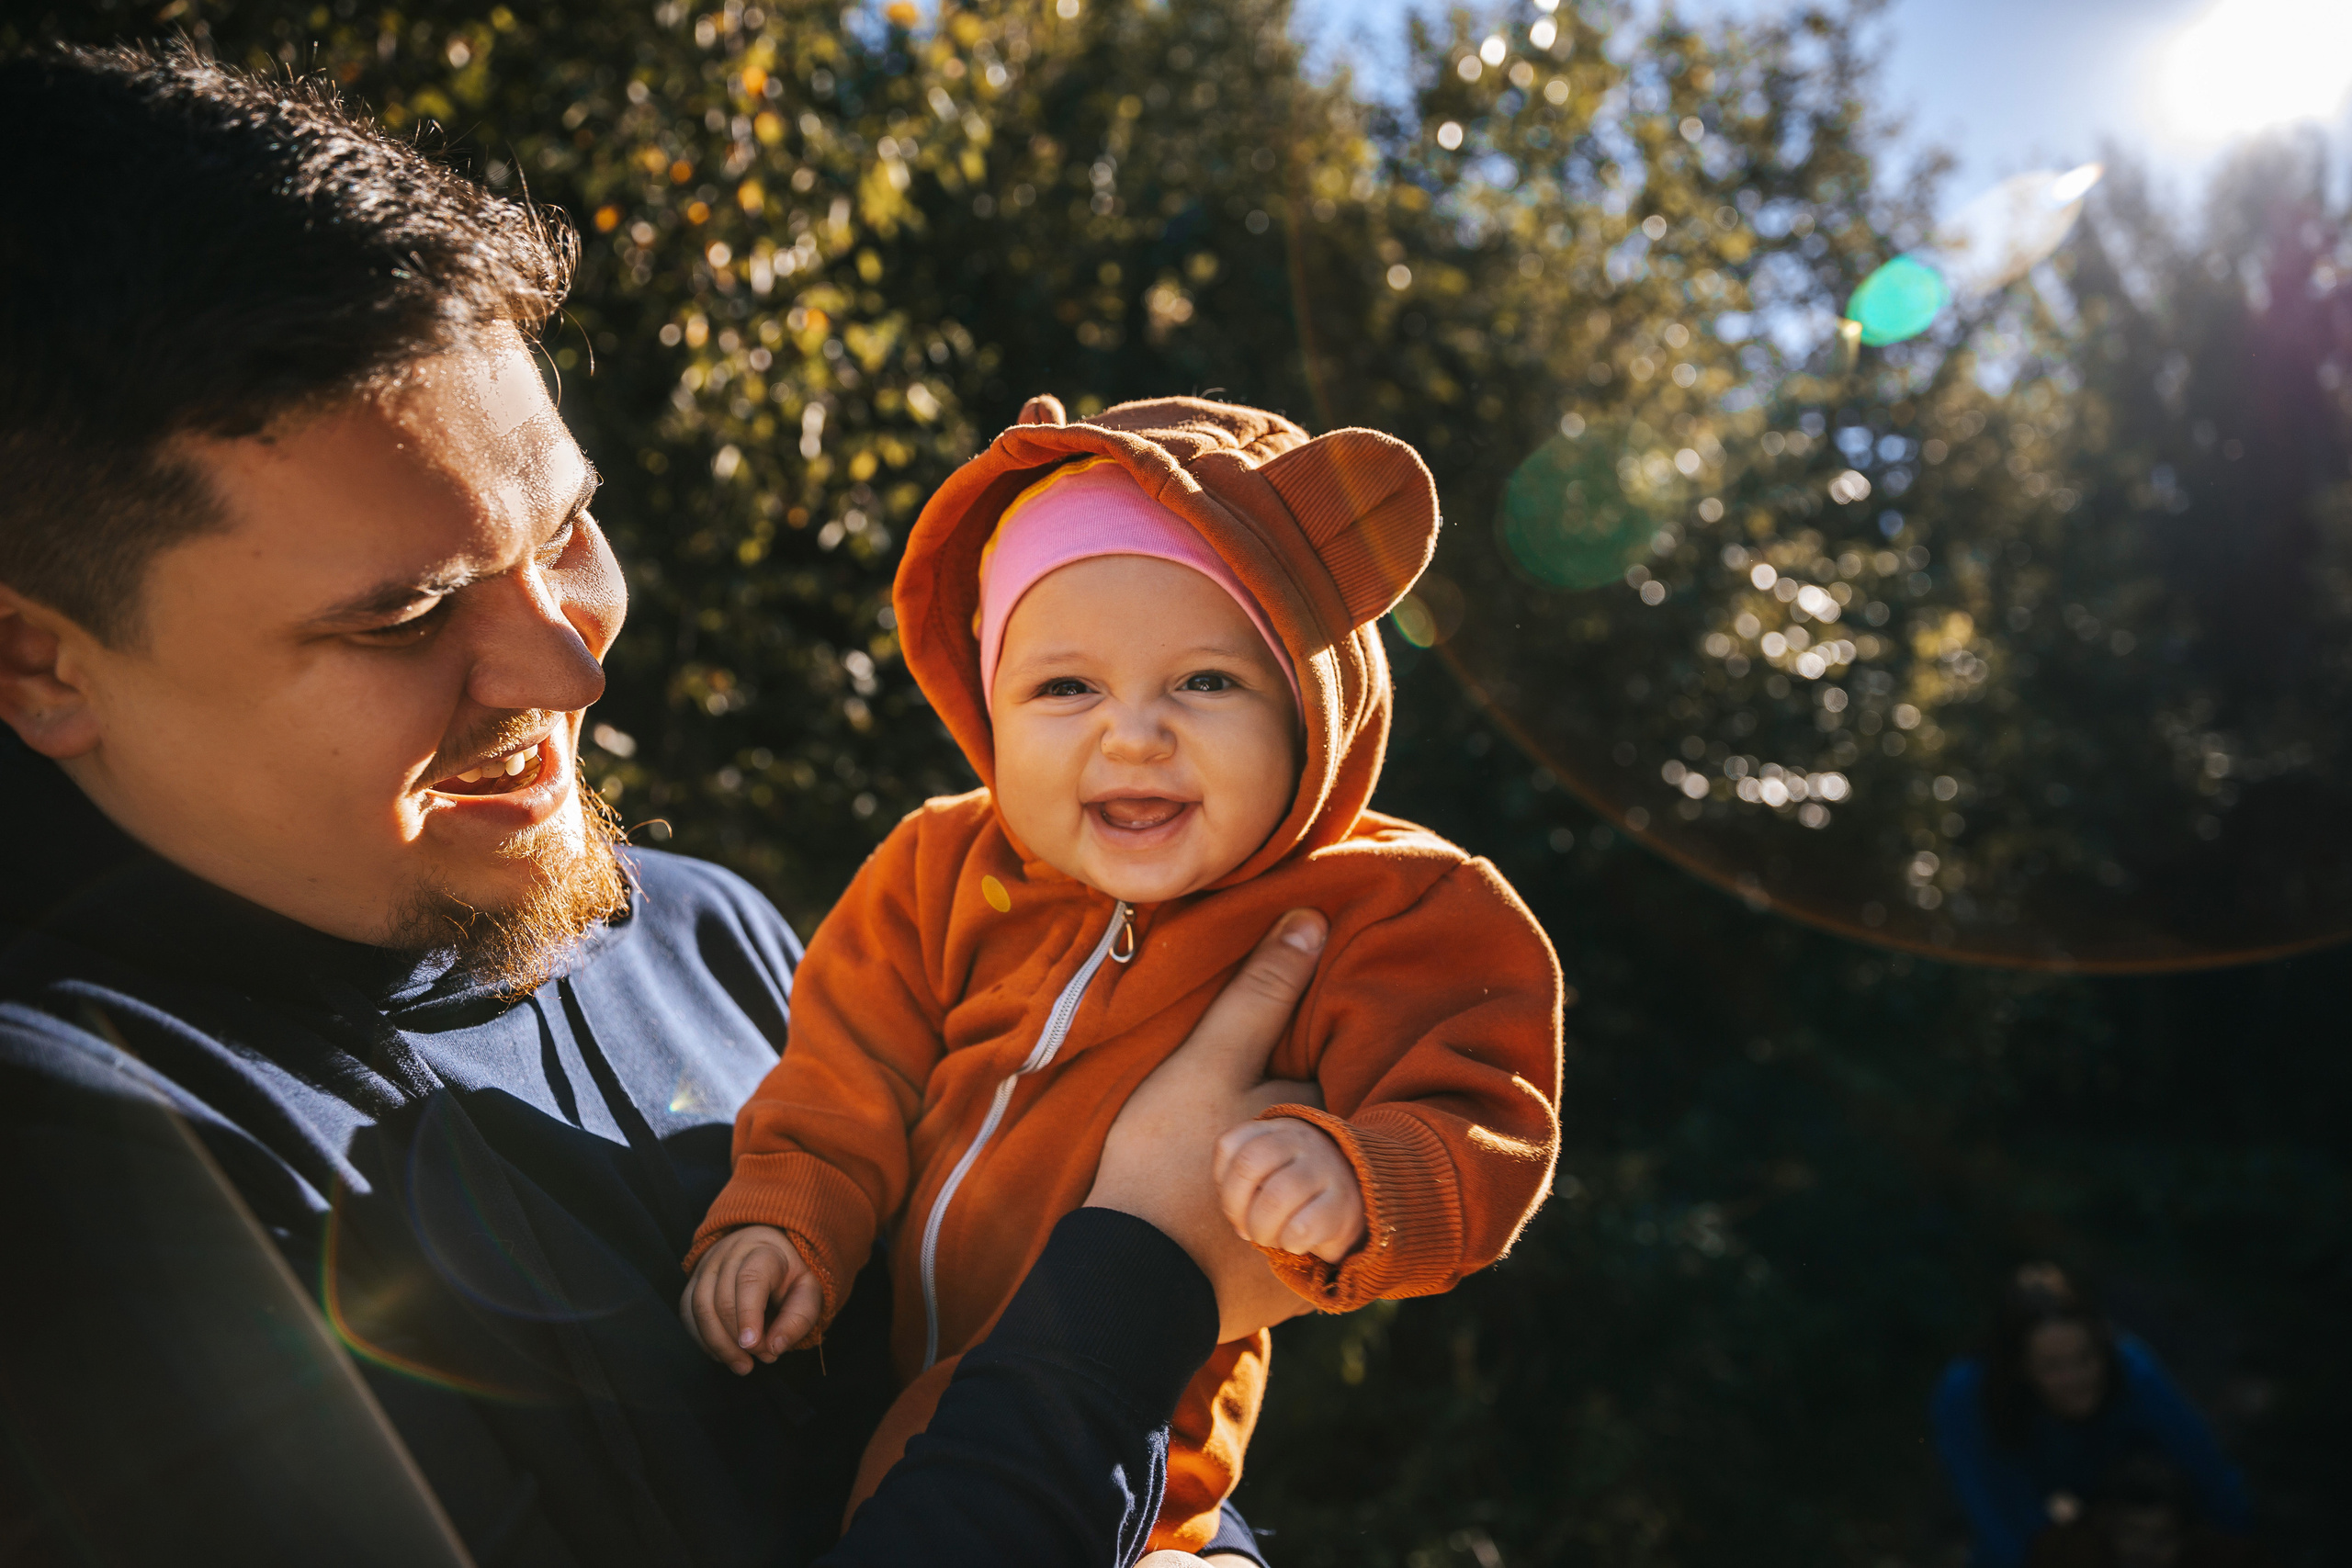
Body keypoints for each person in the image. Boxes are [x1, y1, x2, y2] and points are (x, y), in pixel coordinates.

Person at [0, 41, 1324, 1567]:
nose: (565, 670)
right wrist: (1144, 1273)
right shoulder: (78, 1166)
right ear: (41, 661)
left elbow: (1081, 1460)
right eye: (403, 617)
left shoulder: (707, 937)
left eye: (567, 527)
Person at [678, 403, 1566, 1552]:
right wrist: (786, 1224)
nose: (1134, 735)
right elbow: (840, 1081)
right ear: (984, 707)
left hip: (1134, 1452)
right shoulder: (937, 868)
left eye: (1204, 682)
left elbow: (1483, 1112)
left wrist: (1361, 1178)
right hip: (854, 1355)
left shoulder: (1383, 909)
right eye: (1063, 689)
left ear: (1311, 711)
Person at [1932, 1265, 2253, 1568]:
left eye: (2085, 1359)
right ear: (2020, 1367)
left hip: (2114, 1506)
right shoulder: (1969, 1395)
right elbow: (1999, 1522)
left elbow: (2207, 1471)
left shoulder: (2133, 1373)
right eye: (2052, 1368)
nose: (2075, 1379)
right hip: (2041, 1528)